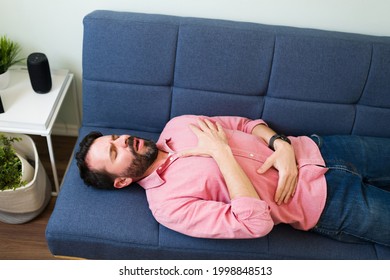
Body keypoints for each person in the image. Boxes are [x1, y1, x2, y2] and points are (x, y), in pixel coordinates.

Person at [76, 115, 390, 246]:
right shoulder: (167, 207)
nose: (125, 141)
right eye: (115, 152)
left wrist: (279, 144)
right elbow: (254, 224)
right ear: (121, 182)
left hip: (319, 147)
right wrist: (221, 153)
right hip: (327, 204)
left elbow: (244, 123)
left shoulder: (178, 125)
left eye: (116, 137)